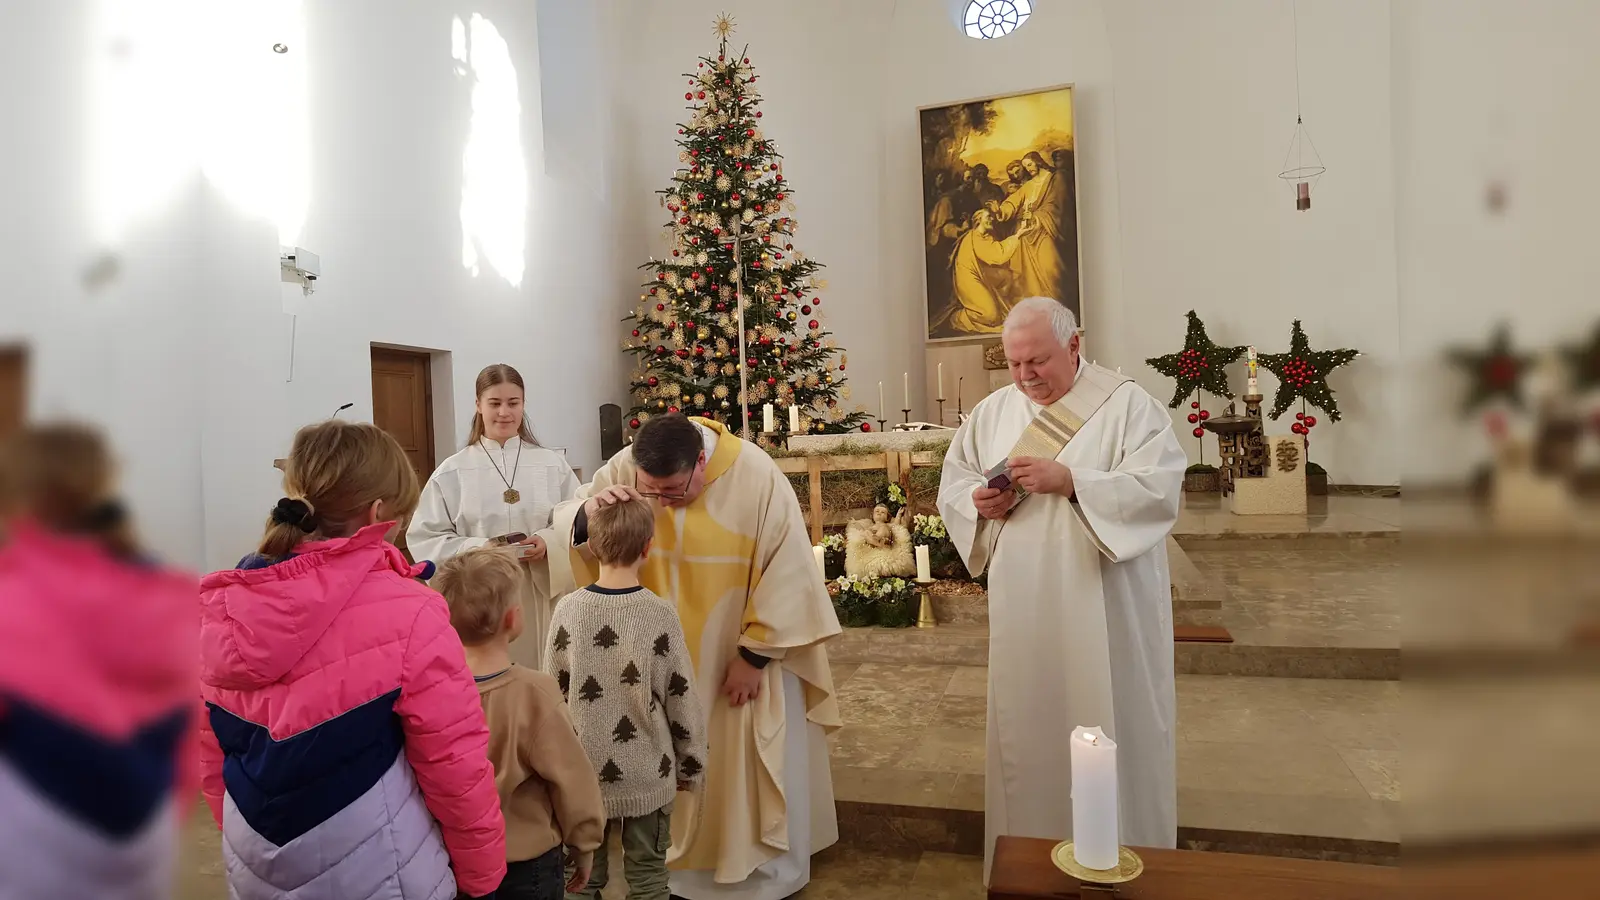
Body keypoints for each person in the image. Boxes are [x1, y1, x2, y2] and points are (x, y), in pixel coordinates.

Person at [198, 420, 506, 900]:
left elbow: (212, 748)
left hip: (254, 861)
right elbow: (453, 765)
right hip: (380, 869)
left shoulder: (223, 608)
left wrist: (252, 848)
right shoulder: (412, 613)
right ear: (377, 512)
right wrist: (482, 877)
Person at [936, 298, 1185, 882]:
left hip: (1105, 610)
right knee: (1030, 730)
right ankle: (1026, 863)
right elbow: (958, 481)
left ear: (1074, 345)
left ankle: (1125, 859)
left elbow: (1159, 491)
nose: (1025, 377)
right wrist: (978, 503)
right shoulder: (995, 411)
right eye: (1015, 364)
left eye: (1038, 362)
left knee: (1110, 717)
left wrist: (1075, 482)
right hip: (1027, 610)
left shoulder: (1128, 407)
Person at [545, 413, 841, 900]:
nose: (661, 502)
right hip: (642, 666)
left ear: (700, 462)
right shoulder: (624, 469)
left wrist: (756, 656)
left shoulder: (758, 476)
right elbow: (570, 526)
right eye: (651, 492)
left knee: (735, 764)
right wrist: (583, 515)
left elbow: (790, 575)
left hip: (732, 660)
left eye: (674, 491)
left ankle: (749, 872)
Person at [0, 424, 198, 900]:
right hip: (145, 836)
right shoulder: (165, 594)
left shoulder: (13, 597)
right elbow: (186, 729)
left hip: (33, 840)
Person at [544, 496, 708, 900]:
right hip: (648, 774)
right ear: (648, 547)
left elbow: (551, 696)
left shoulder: (568, 610)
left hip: (581, 779)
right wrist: (690, 764)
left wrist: (552, 772)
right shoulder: (660, 614)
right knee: (650, 881)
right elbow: (680, 696)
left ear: (592, 547)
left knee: (580, 882)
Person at [434, 548, 607, 900]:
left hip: (454, 858)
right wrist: (584, 843)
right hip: (528, 862)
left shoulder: (430, 692)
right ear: (513, 619)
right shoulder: (535, 692)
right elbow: (571, 778)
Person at [410, 363, 581, 669]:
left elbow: (576, 520)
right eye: (495, 403)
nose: (504, 412)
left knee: (543, 675)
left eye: (513, 403)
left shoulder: (551, 464)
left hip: (539, 590)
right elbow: (426, 538)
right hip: (481, 593)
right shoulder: (452, 471)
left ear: (523, 404)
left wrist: (546, 541)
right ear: (478, 405)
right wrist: (480, 548)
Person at [949, 205, 1027, 333]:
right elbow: (996, 256)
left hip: (981, 275)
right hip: (968, 280)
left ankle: (998, 304)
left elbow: (995, 252)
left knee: (1008, 276)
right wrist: (1017, 235)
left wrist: (1019, 234)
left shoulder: (986, 236)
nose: (991, 219)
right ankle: (958, 317)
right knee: (990, 316)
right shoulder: (975, 236)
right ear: (978, 220)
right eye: (988, 216)